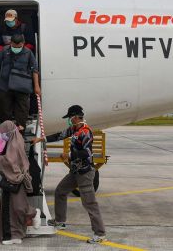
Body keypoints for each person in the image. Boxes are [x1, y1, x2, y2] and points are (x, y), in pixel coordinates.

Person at [32, 105, 107, 244]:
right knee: (60, 191)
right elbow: (59, 135)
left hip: (85, 173)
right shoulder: (74, 129)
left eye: (70, 118)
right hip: (75, 171)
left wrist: (69, 155)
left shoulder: (85, 132)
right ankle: (60, 221)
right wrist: (42, 139)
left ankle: (100, 233)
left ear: (76, 117)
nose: (69, 121)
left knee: (89, 203)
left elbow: (87, 153)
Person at [0, 121, 40, 245]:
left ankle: (33, 213)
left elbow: (10, 161)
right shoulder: (15, 139)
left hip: (15, 179)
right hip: (12, 179)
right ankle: (13, 235)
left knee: (18, 207)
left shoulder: (14, 143)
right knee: (9, 209)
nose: (2, 135)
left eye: (4, 132)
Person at [0, 34, 41, 129]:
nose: (16, 49)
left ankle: (19, 137)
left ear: (23, 43)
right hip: (5, 87)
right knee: (4, 112)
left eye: (19, 47)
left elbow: (35, 70)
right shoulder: (4, 50)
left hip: (22, 88)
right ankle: (6, 135)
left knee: (22, 113)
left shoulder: (28, 53)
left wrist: (36, 86)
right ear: (10, 43)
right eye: (14, 47)